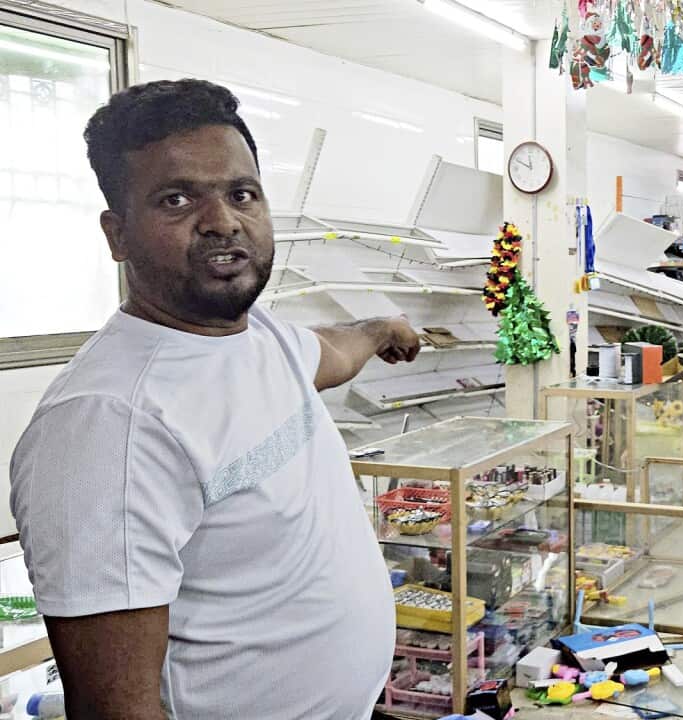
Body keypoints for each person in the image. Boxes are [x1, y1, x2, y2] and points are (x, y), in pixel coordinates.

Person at [8, 79, 421, 719]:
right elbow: (117, 709)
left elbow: (330, 353)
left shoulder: (261, 338)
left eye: (241, 194)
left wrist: (380, 330)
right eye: (177, 200)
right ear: (117, 236)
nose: (222, 221)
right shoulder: (107, 422)